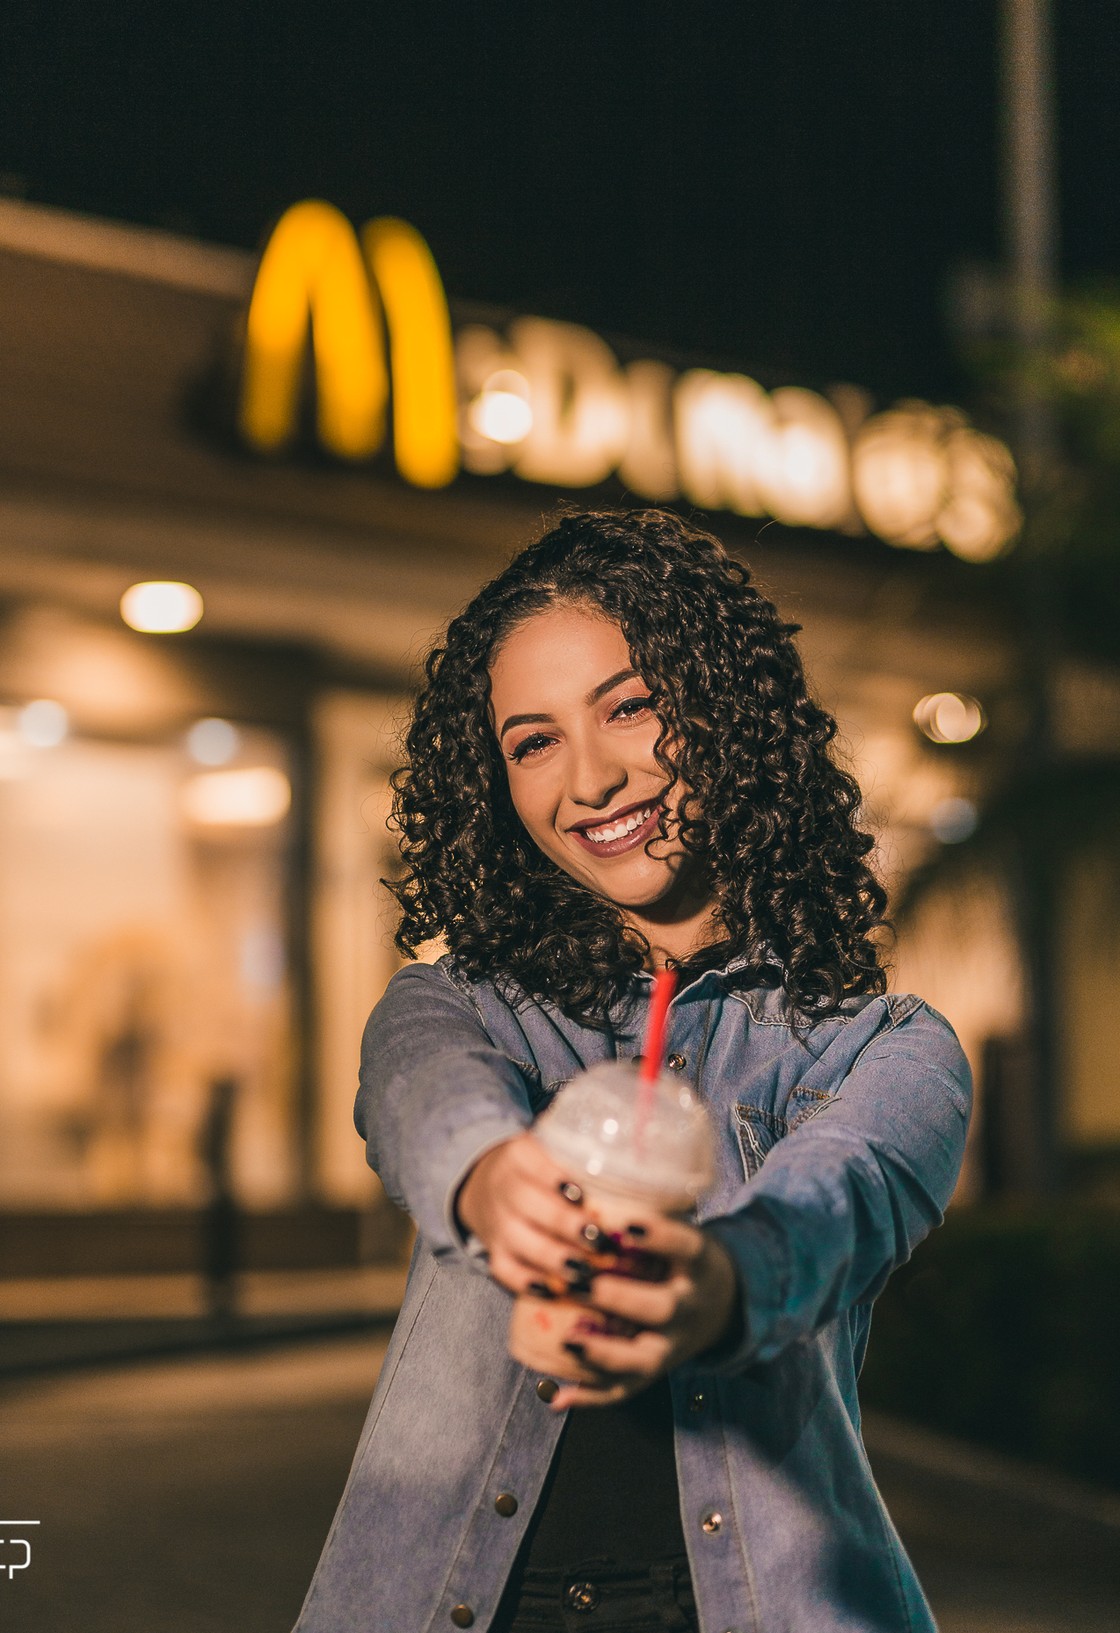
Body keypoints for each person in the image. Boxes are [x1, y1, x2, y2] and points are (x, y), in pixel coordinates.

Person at [292, 509, 970, 1633]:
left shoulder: (886, 1045)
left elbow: (839, 1204)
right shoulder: (455, 1003)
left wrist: (712, 1284)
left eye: (630, 706)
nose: (592, 779)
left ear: (725, 710)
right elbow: (425, 1098)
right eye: (533, 742)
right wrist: (496, 1186)